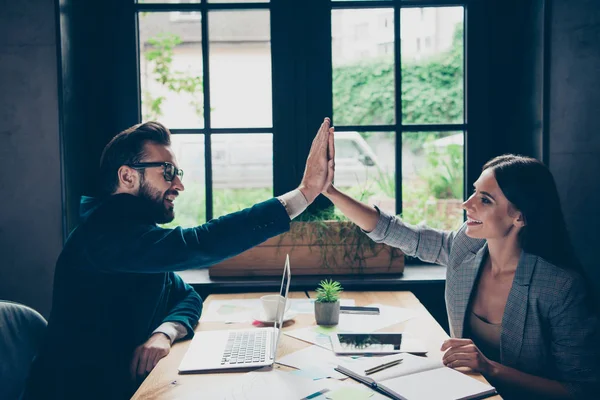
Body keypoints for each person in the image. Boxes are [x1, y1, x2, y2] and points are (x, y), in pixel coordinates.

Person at [24, 118, 333, 400]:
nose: (179, 185)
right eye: (167, 172)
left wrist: (165, 331)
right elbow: (199, 243)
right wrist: (303, 194)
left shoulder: (136, 239)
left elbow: (185, 295)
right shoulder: (104, 237)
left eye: (177, 173)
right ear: (128, 176)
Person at [322, 129, 599, 399]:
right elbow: (400, 232)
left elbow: (582, 390)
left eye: (485, 200)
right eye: (473, 192)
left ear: (520, 217)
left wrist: (490, 368)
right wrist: (330, 191)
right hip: (463, 390)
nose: (467, 204)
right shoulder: (465, 247)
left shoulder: (560, 287)